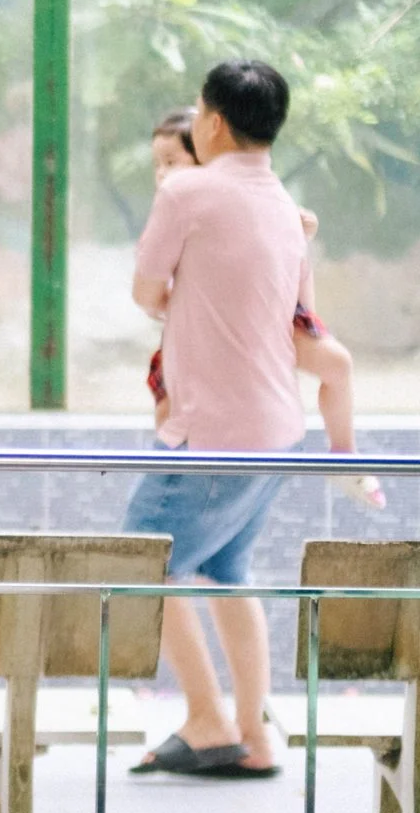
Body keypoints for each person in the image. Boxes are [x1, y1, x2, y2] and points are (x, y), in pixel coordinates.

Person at [125, 61, 308, 779]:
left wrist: (185, 300)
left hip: (212, 431)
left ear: (214, 123)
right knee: (228, 571)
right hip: (279, 429)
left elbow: (146, 291)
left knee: (144, 563)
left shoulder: (188, 190)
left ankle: (206, 720)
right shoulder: (287, 205)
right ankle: (254, 732)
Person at [145, 108, 382, 511]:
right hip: (205, 340)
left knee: (337, 364)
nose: (163, 174)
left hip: (268, 317)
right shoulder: (178, 206)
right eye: (158, 165)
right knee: (170, 404)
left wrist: (297, 229)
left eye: (172, 162)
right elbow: (157, 283)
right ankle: (173, 467)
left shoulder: (238, 194)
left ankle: (344, 455)